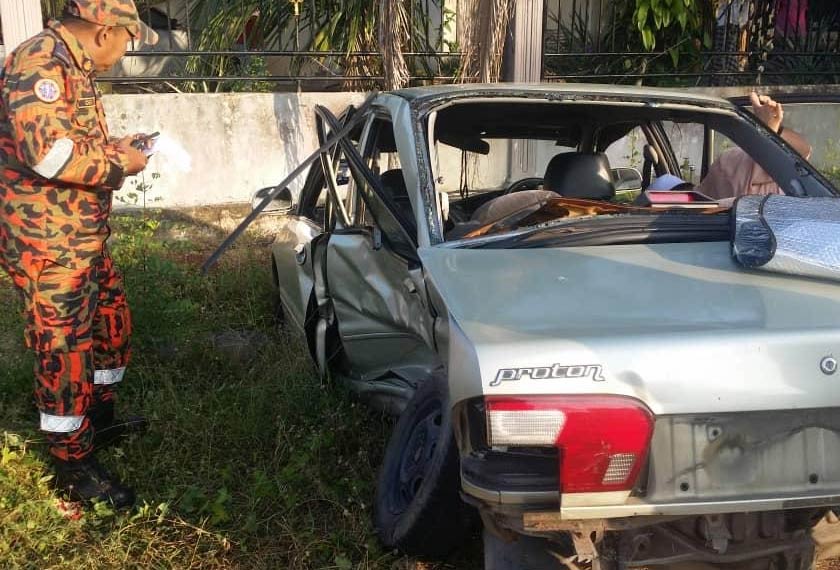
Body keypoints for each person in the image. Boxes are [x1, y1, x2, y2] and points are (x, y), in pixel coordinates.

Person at [0, 0, 158, 509]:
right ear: (105, 30)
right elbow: (47, 154)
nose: (127, 49)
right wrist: (119, 162)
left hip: (80, 236)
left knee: (112, 323)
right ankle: (72, 463)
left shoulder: (72, 63)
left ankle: (98, 420)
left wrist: (117, 146)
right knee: (63, 350)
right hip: (47, 242)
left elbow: (69, 141)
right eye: (128, 39)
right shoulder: (40, 63)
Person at [654, 92, 812, 201]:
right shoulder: (728, 162)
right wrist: (770, 131)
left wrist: (770, 130)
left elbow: (802, 152)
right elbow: (803, 152)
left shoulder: (728, 162)